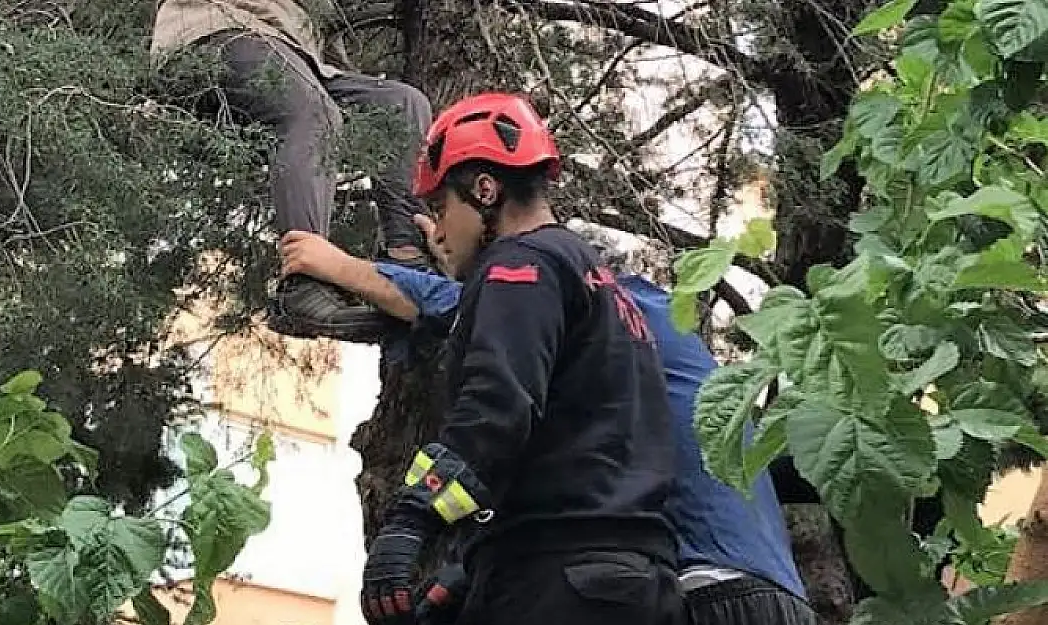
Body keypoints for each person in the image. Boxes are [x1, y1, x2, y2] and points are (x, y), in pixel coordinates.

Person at [281, 216, 819, 625]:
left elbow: (471, 306)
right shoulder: (666, 332)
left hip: (704, 588)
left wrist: (335, 263)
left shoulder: (593, 307)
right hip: (779, 594)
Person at [325, 92, 685, 625]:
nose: (439, 233)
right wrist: (466, 569)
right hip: (635, 582)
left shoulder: (520, 266)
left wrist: (410, 518)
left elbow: (496, 409)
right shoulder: (600, 282)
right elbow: (578, 448)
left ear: (484, 189)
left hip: (558, 578)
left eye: (440, 208)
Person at [149, 0, 433, 342]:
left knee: (401, 105)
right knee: (316, 114)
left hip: (295, 54)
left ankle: (405, 263)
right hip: (213, 29)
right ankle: (304, 283)